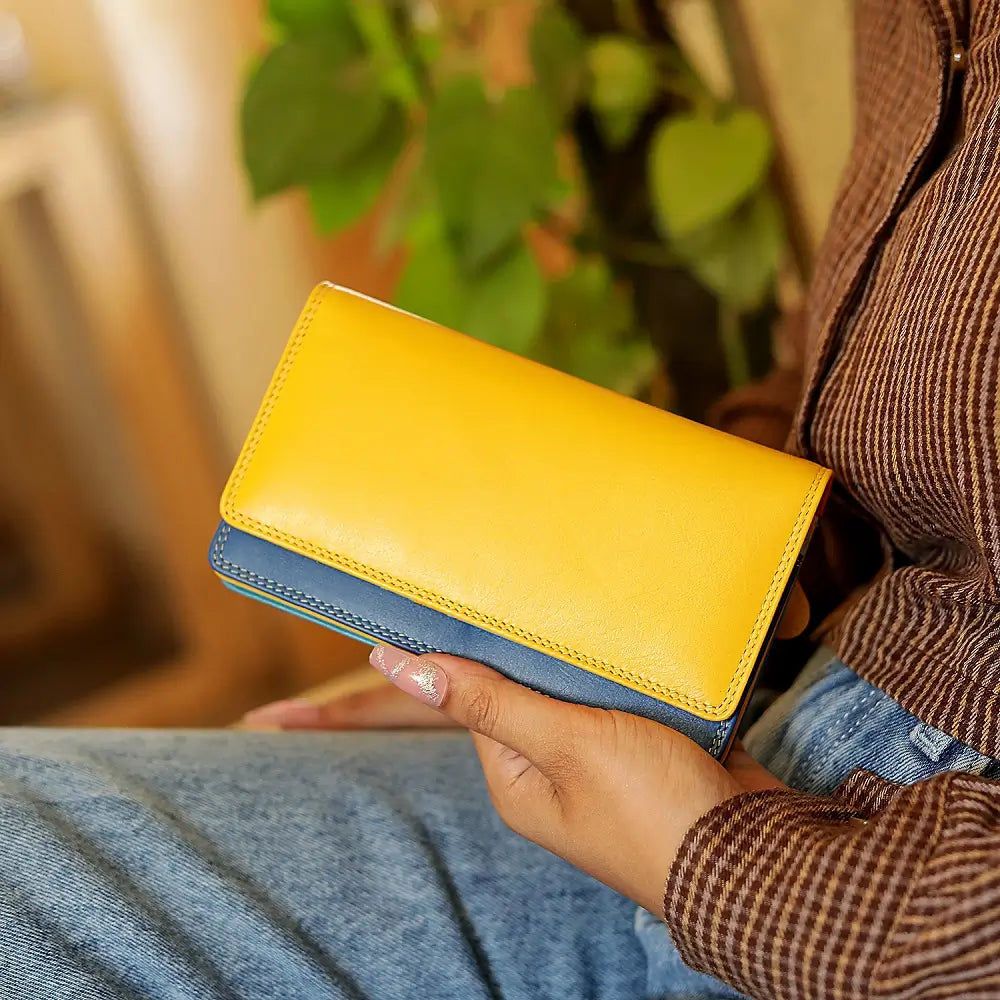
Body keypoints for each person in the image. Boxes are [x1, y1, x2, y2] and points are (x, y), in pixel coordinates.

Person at [4, 0, 1000, 997]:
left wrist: (717, 864)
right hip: (752, 723)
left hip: (867, 894)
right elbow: (871, 373)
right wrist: (601, 636)